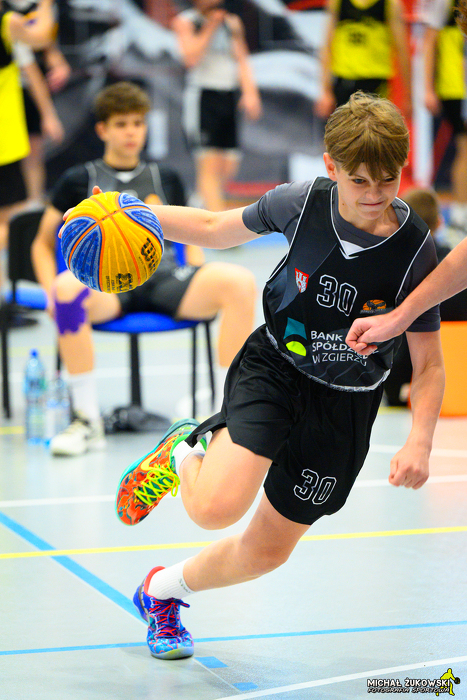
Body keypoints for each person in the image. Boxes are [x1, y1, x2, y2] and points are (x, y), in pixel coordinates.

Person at [94, 92, 443, 660]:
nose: (375, 195)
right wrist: (131, 212)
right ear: (331, 167)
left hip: (347, 403)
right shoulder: (302, 202)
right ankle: (183, 451)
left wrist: (420, 440)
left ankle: (162, 592)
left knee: (266, 552)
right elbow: (214, 225)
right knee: (213, 509)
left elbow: (429, 363)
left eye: (388, 180)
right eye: (359, 181)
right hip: (276, 365)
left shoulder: (416, 250)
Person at [32, 81, 256, 457]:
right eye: (121, 124)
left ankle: (225, 415)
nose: (131, 132)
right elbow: (41, 243)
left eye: (138, 123)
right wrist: (48, 292)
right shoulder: (78, 180)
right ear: (102, 130)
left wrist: (195, 268)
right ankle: (87, 421)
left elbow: (192, 238)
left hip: (164, 277)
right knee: (65, 290)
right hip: (106, 286)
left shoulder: (165, 178)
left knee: (239, 281)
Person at [172, 0, 262, 212]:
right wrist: (210, 27)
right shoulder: (186, 21)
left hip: (228, 96)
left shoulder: (231, 22)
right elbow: (190, 58)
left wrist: (250, 92)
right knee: (209, 164)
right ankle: (215, 219)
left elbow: (241, 58)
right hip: (203, 96)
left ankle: (200, 201)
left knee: (229, 164)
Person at [383, 187, 467, 405]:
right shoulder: (455, 266)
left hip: (405, 380)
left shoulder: (393, 269)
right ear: (439, 222)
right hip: (459, 373)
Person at [0, 0, 55, 259]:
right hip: (4, 140)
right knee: (9, 219)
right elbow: (42, 36)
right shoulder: (8, 22)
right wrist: (46, 5)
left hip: (7, 139)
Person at [314, 0, 412, 120]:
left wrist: (408, 96)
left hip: (375, 84)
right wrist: (325, 90)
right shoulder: (337, 3)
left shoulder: (390, 4)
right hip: (344, 83)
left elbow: (402, 50)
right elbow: (327, 46)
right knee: (343, 131)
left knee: (374, 130)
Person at [423, 0, 467, 236]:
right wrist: (428, 88)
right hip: (456, 90)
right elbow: (430, 41)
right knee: (465, 148)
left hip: (458, 88)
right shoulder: (445, 4)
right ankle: (460, 216)